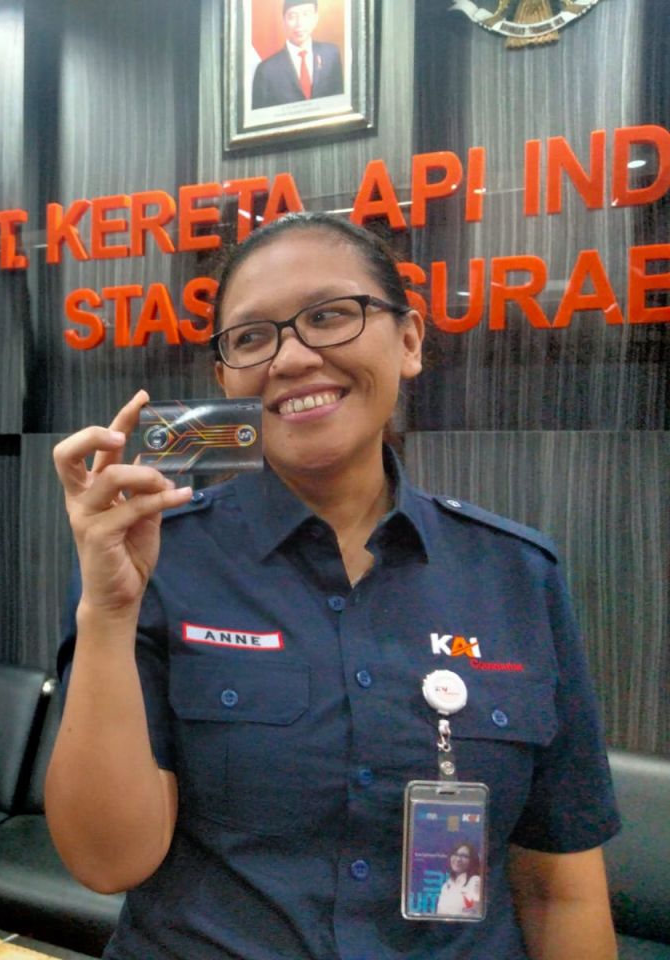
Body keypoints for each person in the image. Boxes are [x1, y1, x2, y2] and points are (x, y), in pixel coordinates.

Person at [46, 212, 620, 959]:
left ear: (409, 341)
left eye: (329, 316)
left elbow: (559, 888)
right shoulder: (153, 561)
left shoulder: (515, 574)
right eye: (251, 337)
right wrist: (106, 612)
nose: (291, 358)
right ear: (225, 378)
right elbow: (107, 862)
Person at [252, 0, 344, 109]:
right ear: (283, 21)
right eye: (292, 16)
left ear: (315, 18)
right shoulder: (266, 70)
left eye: (306, 14)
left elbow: (339, 101)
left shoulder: (331, 54)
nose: (299, 23)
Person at [436, 842, 483, 918]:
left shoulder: (475, 881)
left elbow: (475, 913)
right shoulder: (446, 885)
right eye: (455, 854)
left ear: (472, 860)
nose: (458, 859)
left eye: (464, 856)